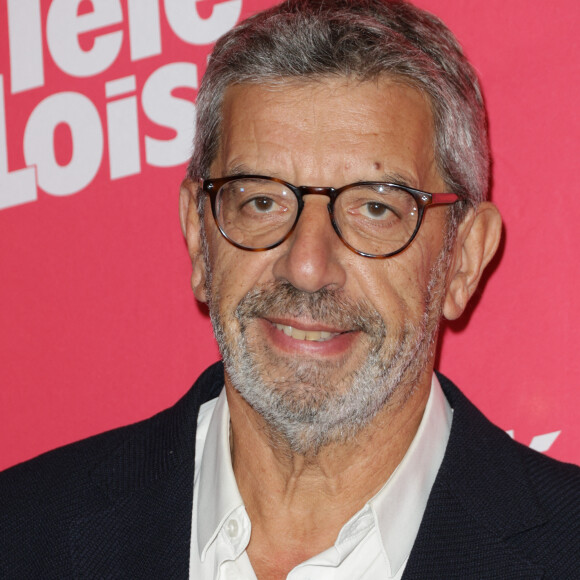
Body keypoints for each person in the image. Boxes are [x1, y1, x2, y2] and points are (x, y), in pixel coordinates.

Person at [1, 0, 578, 578]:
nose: (306, 266)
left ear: (464, 260)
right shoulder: (23, 533)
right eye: (262, 202)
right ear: (200, 239)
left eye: (374, 207)